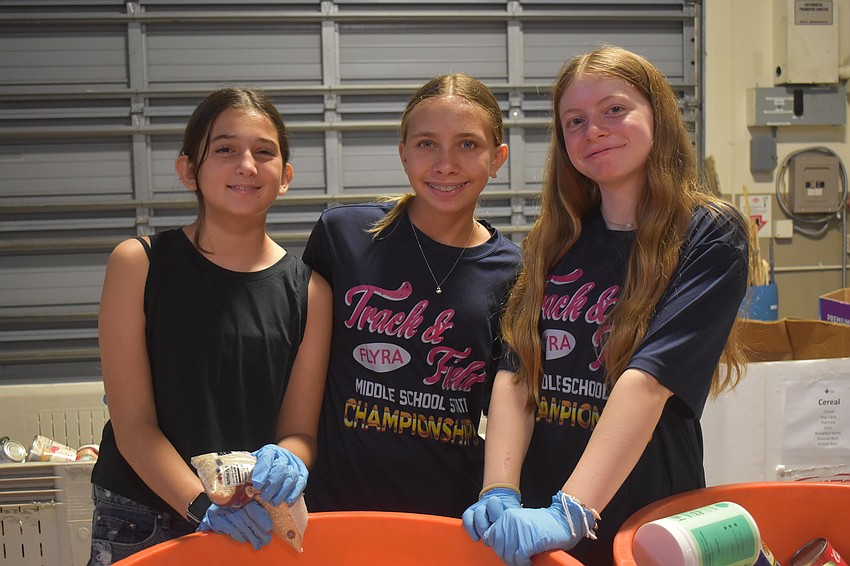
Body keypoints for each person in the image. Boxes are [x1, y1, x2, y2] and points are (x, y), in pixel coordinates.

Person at [462, 45, 752, 565]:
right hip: (537, 517)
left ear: (657, 116)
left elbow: (648, 380)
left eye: (614, 110)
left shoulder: (709, 233)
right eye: (574, 120)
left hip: (644, 517)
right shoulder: (557, 237)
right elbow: (516, 370)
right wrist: (499, 488)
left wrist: (572, 509)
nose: (593, 130)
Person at [88, 87, 332, 564]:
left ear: (284, 177)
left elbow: (299, 431)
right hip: (143, 518)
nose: (246, 165)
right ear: (188, 170)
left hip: (258, 519)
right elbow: (133, 423)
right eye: (224, 149)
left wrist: (290, 461)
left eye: (264, 153)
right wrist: (202, 504)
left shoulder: (310, 291)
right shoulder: (139, 264)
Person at [302, 73, 522, 518]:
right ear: (403, 153)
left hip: (447, 515)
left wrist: (501, 489)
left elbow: (509, 398)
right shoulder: (343, 235)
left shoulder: (515, 272)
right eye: (426, 144)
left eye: (467, 144)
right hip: (336, 510)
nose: (445, 164)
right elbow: (299, 365)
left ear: (497, 158)